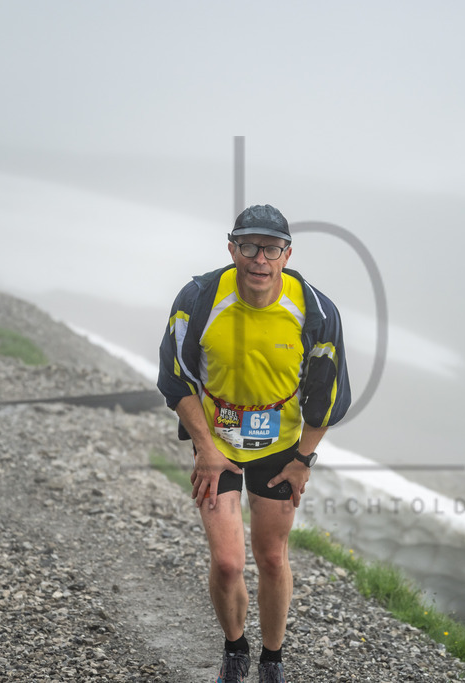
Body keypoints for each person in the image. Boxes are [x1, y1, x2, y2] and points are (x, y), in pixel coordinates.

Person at [157, 204, 351, 683]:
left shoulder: (316, 311)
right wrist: (204, 446)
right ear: (231, 248)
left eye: (270, 248)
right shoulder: (199, 297)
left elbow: (327, 397)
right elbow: (175, 379)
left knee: (270, 557)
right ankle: (235, 648)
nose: (258, 259)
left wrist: (304, 459)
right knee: (226, 563)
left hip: (281, 450)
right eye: (248, 246)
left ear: (287, 254)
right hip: (216, 445)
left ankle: (272, 660)